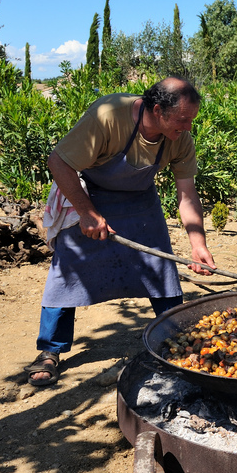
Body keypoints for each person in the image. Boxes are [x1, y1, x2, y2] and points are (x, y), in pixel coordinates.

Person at [26, 77, 216, 387]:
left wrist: (198, 244)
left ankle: (177, 339)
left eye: (191, 120)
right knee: (67, 271)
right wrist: (87, 213)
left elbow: (187, 195)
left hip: (140, 201)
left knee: (162, 269)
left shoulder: (179, 137)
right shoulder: (108, 116)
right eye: (183, 120)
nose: (188, 128)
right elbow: (58, 162)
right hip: (87, 195)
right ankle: (50, 350)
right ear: (158, 110)